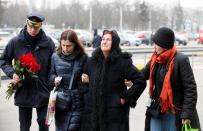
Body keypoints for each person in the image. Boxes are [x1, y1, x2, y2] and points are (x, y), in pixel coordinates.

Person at [81, 30, 146, 131]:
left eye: (108, 39)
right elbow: (82, 82)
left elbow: (140, 80)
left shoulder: (122, 62)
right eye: (103, 39)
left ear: (114, 43)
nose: (104, 41)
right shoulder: (92, 61)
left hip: (115, 116)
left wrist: (125, 97)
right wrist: (87, 94)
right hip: (94, 115)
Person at [0, 13, 55, 131]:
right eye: (31, 26)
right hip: (24, 90)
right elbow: (3, 60)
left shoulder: (49, 43)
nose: (33, 30)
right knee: (24, 126)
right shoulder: (15, 42)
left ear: (40, 26)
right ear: (26, 24)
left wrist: (50, 83)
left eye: (36, 27)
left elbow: (53, 66)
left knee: (44, 125)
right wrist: (12, 73)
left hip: (43, 91)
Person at [140, 27, 201, 131]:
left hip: (175, 112)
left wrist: (186, 114)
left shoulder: (180, 60)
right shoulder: (155, 58)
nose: (154, 46)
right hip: (157, 110)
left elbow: (190, 89)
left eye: (157, 43)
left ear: (165, 45)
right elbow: (143, 74)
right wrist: (129, 76)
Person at [49, 29, 87, 131]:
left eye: (69, 46)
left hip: (77, 101)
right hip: (61, 102)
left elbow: (88, 80)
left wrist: (86, 80)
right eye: (63, 45)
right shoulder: (54, 57)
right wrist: (54, 80)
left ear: (75, 44)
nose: (65, 48)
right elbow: (50, 75)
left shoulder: (83, 58)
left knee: (73, 128)